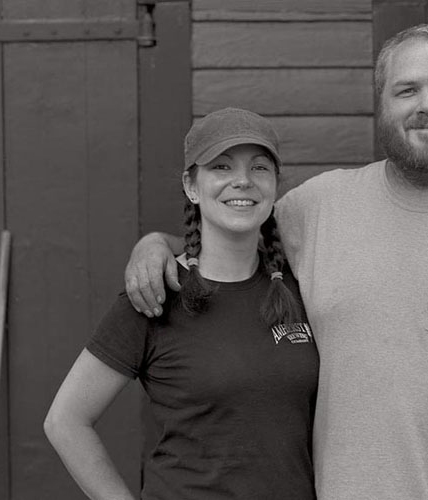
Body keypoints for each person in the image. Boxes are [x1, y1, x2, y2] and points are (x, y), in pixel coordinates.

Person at [124, 25, 428, 500]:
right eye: (407, 90)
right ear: (382, 105)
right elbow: (229, 237)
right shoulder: (318, 208)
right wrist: (157, 244)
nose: (427, 105)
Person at [44, 108, 319, 500]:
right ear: (192, 186)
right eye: (221, 166)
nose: (242, 180)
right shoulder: (156, 291)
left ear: (275, 185)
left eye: (259, 168)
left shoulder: (299, 285)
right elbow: (65, 421)